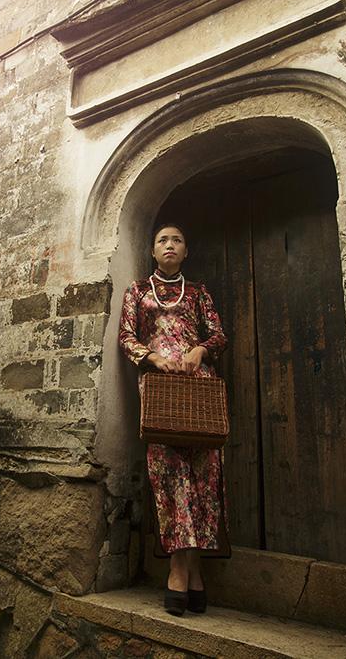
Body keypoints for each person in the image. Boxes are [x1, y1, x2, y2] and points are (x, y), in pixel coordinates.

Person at [118, 221, 228, 617]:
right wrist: (152, 357)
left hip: (198, 387)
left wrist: (200, 351)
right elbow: (126, 336)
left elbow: (218, 335)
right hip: (160, 388)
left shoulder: (198, 292)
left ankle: (188, 570)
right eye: (162, 240)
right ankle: (183, 571)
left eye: (177, 240)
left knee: (202, 475)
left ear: (186, 251)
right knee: (169, 473)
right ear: (152, 250)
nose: (170, 245)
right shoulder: (138, 291)